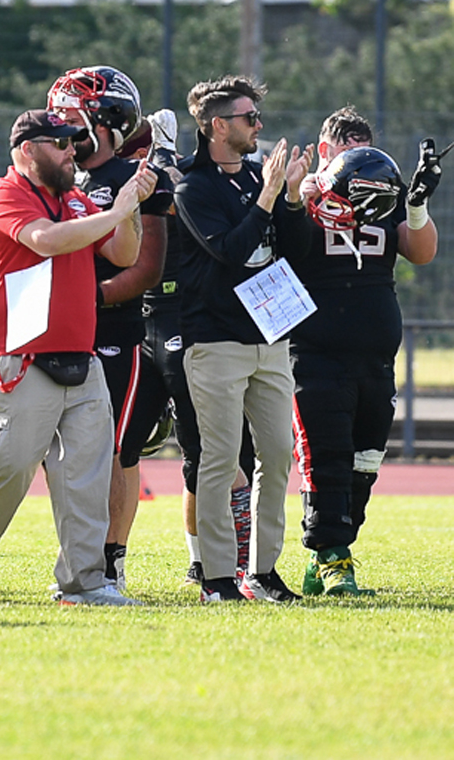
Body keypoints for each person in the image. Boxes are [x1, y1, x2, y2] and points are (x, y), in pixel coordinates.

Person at [0, 109, 155, 607]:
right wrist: (114, 212)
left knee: (87, 476)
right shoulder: (2, 195)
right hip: (18, 358)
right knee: (4, 469)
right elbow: (46, 242)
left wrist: (130, 207)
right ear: (28, 150)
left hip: (80, 355)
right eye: (62, 143)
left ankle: (84, 581)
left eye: (74, 142)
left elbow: (123, 253)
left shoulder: (71, 198)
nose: (74, 151)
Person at [174, 76, 313, 603]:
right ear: (218, 126)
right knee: (220, 457)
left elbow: (295, 253)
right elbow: (230, 251)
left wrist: (293, 197)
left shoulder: (259, 177)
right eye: (249, 118)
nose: (258, 126)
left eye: (257, 117)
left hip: (270, 338)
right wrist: (270, 195)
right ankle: (215, 577)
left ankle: (264, 570)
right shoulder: (193, 186)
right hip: (216, 342)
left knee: (277, 453)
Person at [291, 106, 439, 595]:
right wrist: (296, 198)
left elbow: (421, 251)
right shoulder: (301, 198)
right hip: (316, 353)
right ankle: (333, 557)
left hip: (375, 355)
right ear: (325, 153)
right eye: (345, 154)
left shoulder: (383, 196)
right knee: (327, 457)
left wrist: (415, 206)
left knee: (365, 461)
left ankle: (327, 557)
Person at [47, 66, 173, 590]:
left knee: (112, 453)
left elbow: (146, 267)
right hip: (56, 333)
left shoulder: (135, 178)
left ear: (105, 118)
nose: (62, 123)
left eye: (73, 112)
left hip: (114, 333)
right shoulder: (54, 175)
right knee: (61, 458)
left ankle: (108, 563)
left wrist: (85, 299)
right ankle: (79, 559)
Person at [117, 109, 254, 586]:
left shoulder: (184, 177)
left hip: (185, 321)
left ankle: (227, 563)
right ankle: (111, 562)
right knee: (121, 447)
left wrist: (163, 167)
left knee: (208, 453)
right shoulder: (114, 179)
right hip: (141, 320)